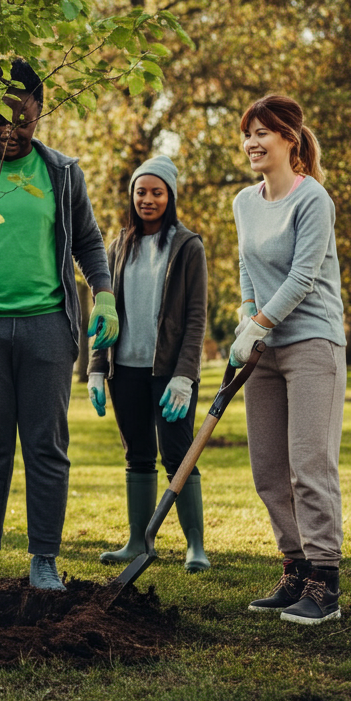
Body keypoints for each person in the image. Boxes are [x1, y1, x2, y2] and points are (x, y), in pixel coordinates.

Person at [0, 57, 117, 591]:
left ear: (40, 111)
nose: (9, 132)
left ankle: (44, 560)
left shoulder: (60, 172)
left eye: (22, 120)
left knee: (45, 445)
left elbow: (88, 242)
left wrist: (103, 296)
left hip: (47, 331)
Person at [230, 94, 346, 624]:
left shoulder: (313, 199)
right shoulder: (244, 202)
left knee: (309, 465)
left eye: (264, 133)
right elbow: (247, 268)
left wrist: (261, 323)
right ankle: (294, 569)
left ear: (289, 140)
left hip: (312, 344)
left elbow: (303, 277)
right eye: (248, 133)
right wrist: (246, 318)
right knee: (269, 469)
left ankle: (324, 585)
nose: (253, 143)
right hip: (264, 351)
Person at [87, 155, 210, 572]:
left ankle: (196, 545)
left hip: (168, 374)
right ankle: (138, 542)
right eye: (141, 191)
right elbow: (102, 312)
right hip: (126, 372)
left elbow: (196, 319)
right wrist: (97, 369)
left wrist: (185, 376)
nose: (148, 199)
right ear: (132, 195)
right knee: (137, 454)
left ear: (170, 196)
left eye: (157, 192)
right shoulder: (119, 246)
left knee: (179, 455)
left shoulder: (189, 246)